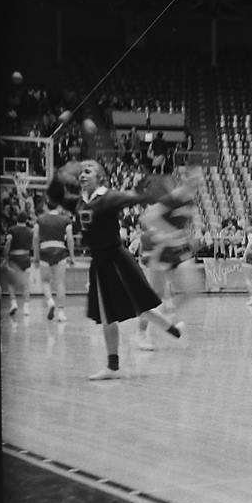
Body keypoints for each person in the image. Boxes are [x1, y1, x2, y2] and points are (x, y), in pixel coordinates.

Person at [73, 160, 184, 379]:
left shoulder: (109, 197)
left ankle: (113, 367)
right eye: (80, 173)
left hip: (115, 259)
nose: (82, 175)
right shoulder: (81, 203)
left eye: (88, 171)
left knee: (132, 306)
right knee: (120, 311)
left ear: (100, 177)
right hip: (100, 262)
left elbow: (134, 197)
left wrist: (151, 193)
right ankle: (173, 330)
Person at [134, 170, 201, 350]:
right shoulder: (172, 198)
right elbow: (148, 218)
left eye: (198, 179)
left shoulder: (190, 201)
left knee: (192, 289)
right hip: (161, 250)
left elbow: (182, 224)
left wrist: (188, 237)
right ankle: (141, 334)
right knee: (153, 297)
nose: (197, 182)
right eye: (193, 178)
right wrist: (170, 233)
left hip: (179, 250)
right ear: (184, 180)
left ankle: (167, 318)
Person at [33, 196, 76, 322]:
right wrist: (72, 256)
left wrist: (36, 257)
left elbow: (35, 238)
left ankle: (50, 301)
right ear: (59, 206)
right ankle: (61, 313)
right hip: (60, 250)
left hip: (44, 250)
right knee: (60, 283)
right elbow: (70, 239)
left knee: (46, 281)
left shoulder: (40, 219)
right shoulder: (66, 220)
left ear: (46, 206)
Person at [3, 212, 33, 317]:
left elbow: (8, 243)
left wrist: (5, 257)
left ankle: (14, 303)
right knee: (26, 284)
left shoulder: (12, 230)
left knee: (11, 283)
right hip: (26, 258)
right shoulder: (30, 231)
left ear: (17, 219)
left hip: (14, 258)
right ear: (26, 220)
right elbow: (32, 245)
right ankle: (26, 308)